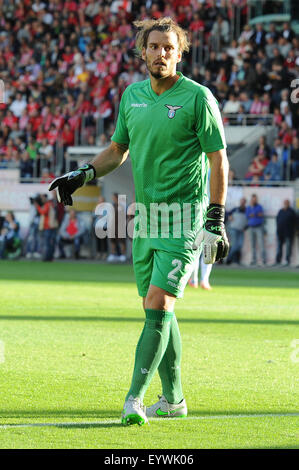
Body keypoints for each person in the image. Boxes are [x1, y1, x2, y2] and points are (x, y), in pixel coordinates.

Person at [49, 18, 229, 426]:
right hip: (146, 220)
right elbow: (117, 150)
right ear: (142, 51)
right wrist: (84, 174)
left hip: (184, 218)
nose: (161, 53)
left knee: (158, 304)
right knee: (157, 313)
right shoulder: (131, 96)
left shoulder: (198, 98)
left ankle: (135, 398)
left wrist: (215, 219)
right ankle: (175, 400)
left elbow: (219, 158)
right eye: (154, 46)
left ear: (179, 53)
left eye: (169, 47)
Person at [34, 193, 58, 262]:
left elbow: (43, 211)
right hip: (48, 227)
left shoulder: (48, 204)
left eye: (42, 198)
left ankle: (47, 257)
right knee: (49, 243)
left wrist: (37, 207)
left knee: (47, 243)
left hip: (48, 227)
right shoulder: (49, 204)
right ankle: (49, 257)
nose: (41, 200)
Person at [246, 194, 266, 266]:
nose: (254, 200)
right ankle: (253, 260)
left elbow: (261, 214)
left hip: (258, 227)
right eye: (253, 199)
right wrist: (255, 214)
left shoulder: (259, 206)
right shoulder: (248, 207)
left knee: (261, 244)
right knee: (252, 245)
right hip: (251, 227)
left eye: (255, 199)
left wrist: (254, 214)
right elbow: (248, 215)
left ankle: (263, 260)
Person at [226, 197, 247, 265]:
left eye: (243, 202)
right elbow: (228, 213)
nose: (242, 203)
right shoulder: (235, 209)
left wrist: (246, 227)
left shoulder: (247, 210)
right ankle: (229, 259)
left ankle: (235, 260)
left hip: (241, 230)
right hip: (234, 229)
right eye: (241, 201)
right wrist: (230, 216)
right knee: (235, 245)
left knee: (240, 245)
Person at [275, 199, 296, 266]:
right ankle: (278, 260)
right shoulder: (281, 211)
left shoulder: (292, 212)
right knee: (279, 247)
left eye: (287, 203)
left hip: (288, 232)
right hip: (280, 232)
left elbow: (295, 222)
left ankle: (287, 260)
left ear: (289, 203)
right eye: (285, 203)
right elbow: (277, 220)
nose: (285, 204)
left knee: (288, 247)